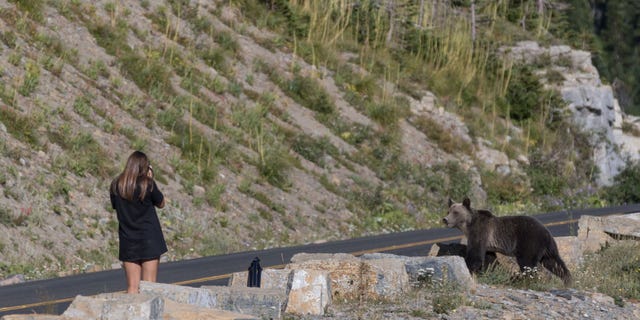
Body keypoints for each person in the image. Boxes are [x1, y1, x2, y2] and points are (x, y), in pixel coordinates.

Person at [110, 151, 167, 293]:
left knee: (132, 287)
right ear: (145, 167)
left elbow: (115, 206)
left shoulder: (117, 185)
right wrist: (151, 178)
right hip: (149, 238)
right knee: (150, 286)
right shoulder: (148, 184)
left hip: (128, 238)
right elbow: (161, 203)